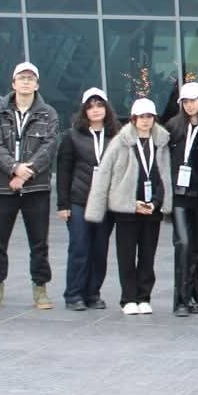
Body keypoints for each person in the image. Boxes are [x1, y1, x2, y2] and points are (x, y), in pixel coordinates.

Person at [85, 98, 172, 315]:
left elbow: (165, 175)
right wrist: (127, 204)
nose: (145, 121)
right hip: (127, 210)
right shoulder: (120, 142)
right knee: (126, 255)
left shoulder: (161, 142)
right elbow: (105, 175)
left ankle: (144, 297)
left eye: (149, 117)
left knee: (148, 256)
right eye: (141, 117)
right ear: (133, 119)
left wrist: (157, 202)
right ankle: (128, 298)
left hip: (151, 210)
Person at [0, 61, 59, 310]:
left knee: (39, 242)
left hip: (35, 187)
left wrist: (25, 173)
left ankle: (40, 288)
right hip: (2, 185)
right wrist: (14, 168)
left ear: (37, 84)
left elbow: (49, 147)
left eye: (30, 78)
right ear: (13, 83)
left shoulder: (48, 113)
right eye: (21, 78)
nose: (26, 82)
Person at [55, 88, 118, 310]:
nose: (95, 110)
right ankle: (74, 294)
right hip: (79, 200)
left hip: (105, 203)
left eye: (99, 105)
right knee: (80, 247)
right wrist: (63, 204)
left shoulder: (116, 136)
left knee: (100, 250)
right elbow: (63, 171)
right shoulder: (72, 136)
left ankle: (93, 293)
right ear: (84, 111)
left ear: (106, 108)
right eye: (90, 107)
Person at [166, 81, 198, 316]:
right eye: (185, 101)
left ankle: (193, 296)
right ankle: (180, 300)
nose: (189, 105)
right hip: (179, 195)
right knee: (183, 244)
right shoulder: (173, 126)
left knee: (196, 247)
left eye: (193, 100)